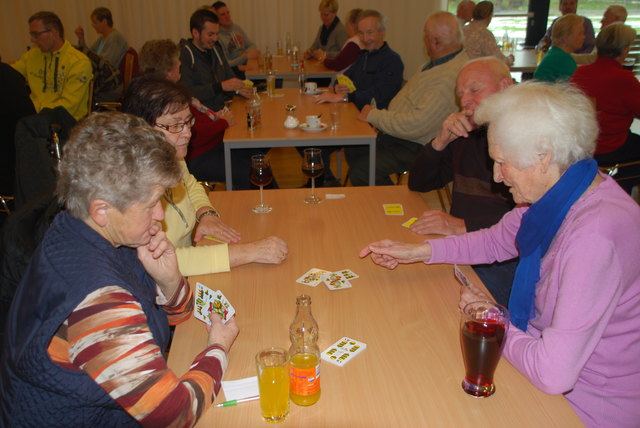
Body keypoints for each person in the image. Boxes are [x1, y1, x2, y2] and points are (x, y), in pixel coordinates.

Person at [360, 82, 640, 428]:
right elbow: (493, 242)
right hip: (547, 367)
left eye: (502, 162)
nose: (496, 177)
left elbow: (554, 374)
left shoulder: (594, 237)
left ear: (543, 157)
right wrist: (418, 251)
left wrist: (491, 318)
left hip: (585, 407)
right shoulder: (566, 191)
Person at [0, 112, 240, 426]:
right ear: (102, 209)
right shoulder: (98, 300)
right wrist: (218, 348)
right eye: (152, 202)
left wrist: (169, 282)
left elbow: (174, 319)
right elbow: (175, 414)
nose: (160, 215)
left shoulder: (81, 229)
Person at [122, 75, 288, 276]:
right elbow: (162, 262)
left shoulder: (168, 153)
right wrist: (249, 251)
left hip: (189, 270)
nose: (188, 133)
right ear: (143, 129)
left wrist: (206, 213)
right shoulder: (130, 192)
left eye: (188, 121)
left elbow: (190, 184)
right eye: (175, 125)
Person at [408, 57, 515, 306]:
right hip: (463, 246)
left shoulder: (527, 140)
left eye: (475, 90)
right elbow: (419, 183)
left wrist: (464, 225)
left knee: (430, 302)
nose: (465, 100)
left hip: (508, 258)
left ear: (506, 87)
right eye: (461, 94)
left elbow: (533, 220)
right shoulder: (468, 135)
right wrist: (441, 141)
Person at [346, 11, 469, 186]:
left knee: (363, 170)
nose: (424, 40)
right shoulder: (435, 64)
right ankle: (378, 197)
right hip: (400, 137)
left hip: (418, 146)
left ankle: (392, 207)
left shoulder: (450, 76)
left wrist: (374, 115)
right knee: (354, 148)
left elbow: (416, 125)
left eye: (425, 35)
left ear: (434, 42)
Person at [570, 23, 640, 194]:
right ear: (624, 50)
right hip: (611, 147)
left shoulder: (579, 74)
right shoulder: (623, 79)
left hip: (584, 146)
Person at [11, 11, 93, 120]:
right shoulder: (32, 56)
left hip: (66, 123)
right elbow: (8, 76)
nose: (32, 39)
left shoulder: (78, 62)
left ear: (54, 32)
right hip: (33, 118)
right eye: (31, 35)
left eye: (36, 34)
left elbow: (68, 107)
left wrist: (31, 112)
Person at [316, 9, 404, 110]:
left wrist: (344, 97)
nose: (365, 39)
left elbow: (379, 96)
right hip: (353, 110)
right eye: (361, 33)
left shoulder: (392, 61)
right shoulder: (363, 55)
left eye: (370, 32)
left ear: (382, 32)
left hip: (373, 120)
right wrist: (338, 87)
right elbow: (343, 77)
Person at [179, 8, 251, 112]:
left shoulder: (216, 49)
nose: (215, 39)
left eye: (217, 34)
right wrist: (219, 87)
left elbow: (229, 79)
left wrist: (240, 90)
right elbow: (187, 92)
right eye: (210, 34)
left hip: (221, 111)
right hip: (201, 117)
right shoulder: (186, 55)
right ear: (195, 33)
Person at [211, 1, 260, 73]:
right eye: (223, 14)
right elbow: (226, 63)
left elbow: (252, 45)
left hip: (247, 62)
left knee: (274, 75)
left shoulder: (236, 28)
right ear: (216, 18)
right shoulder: (217, 37)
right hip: (236, 70)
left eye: (228, 12)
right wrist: (245, 56)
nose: (227, 16)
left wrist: (246, 54)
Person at [533, 14, 584, 82]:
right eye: (580, 33)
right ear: (566, 38)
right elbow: (575, 89)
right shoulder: (563, 60)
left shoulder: (554, 53)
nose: (583, 37)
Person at [463, 1, 513, 66]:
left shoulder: (462, 30)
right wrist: (510, 59)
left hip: (462, 70)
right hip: (478, 71)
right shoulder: (485, 35)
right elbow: (500, 61)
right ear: (489, 16)